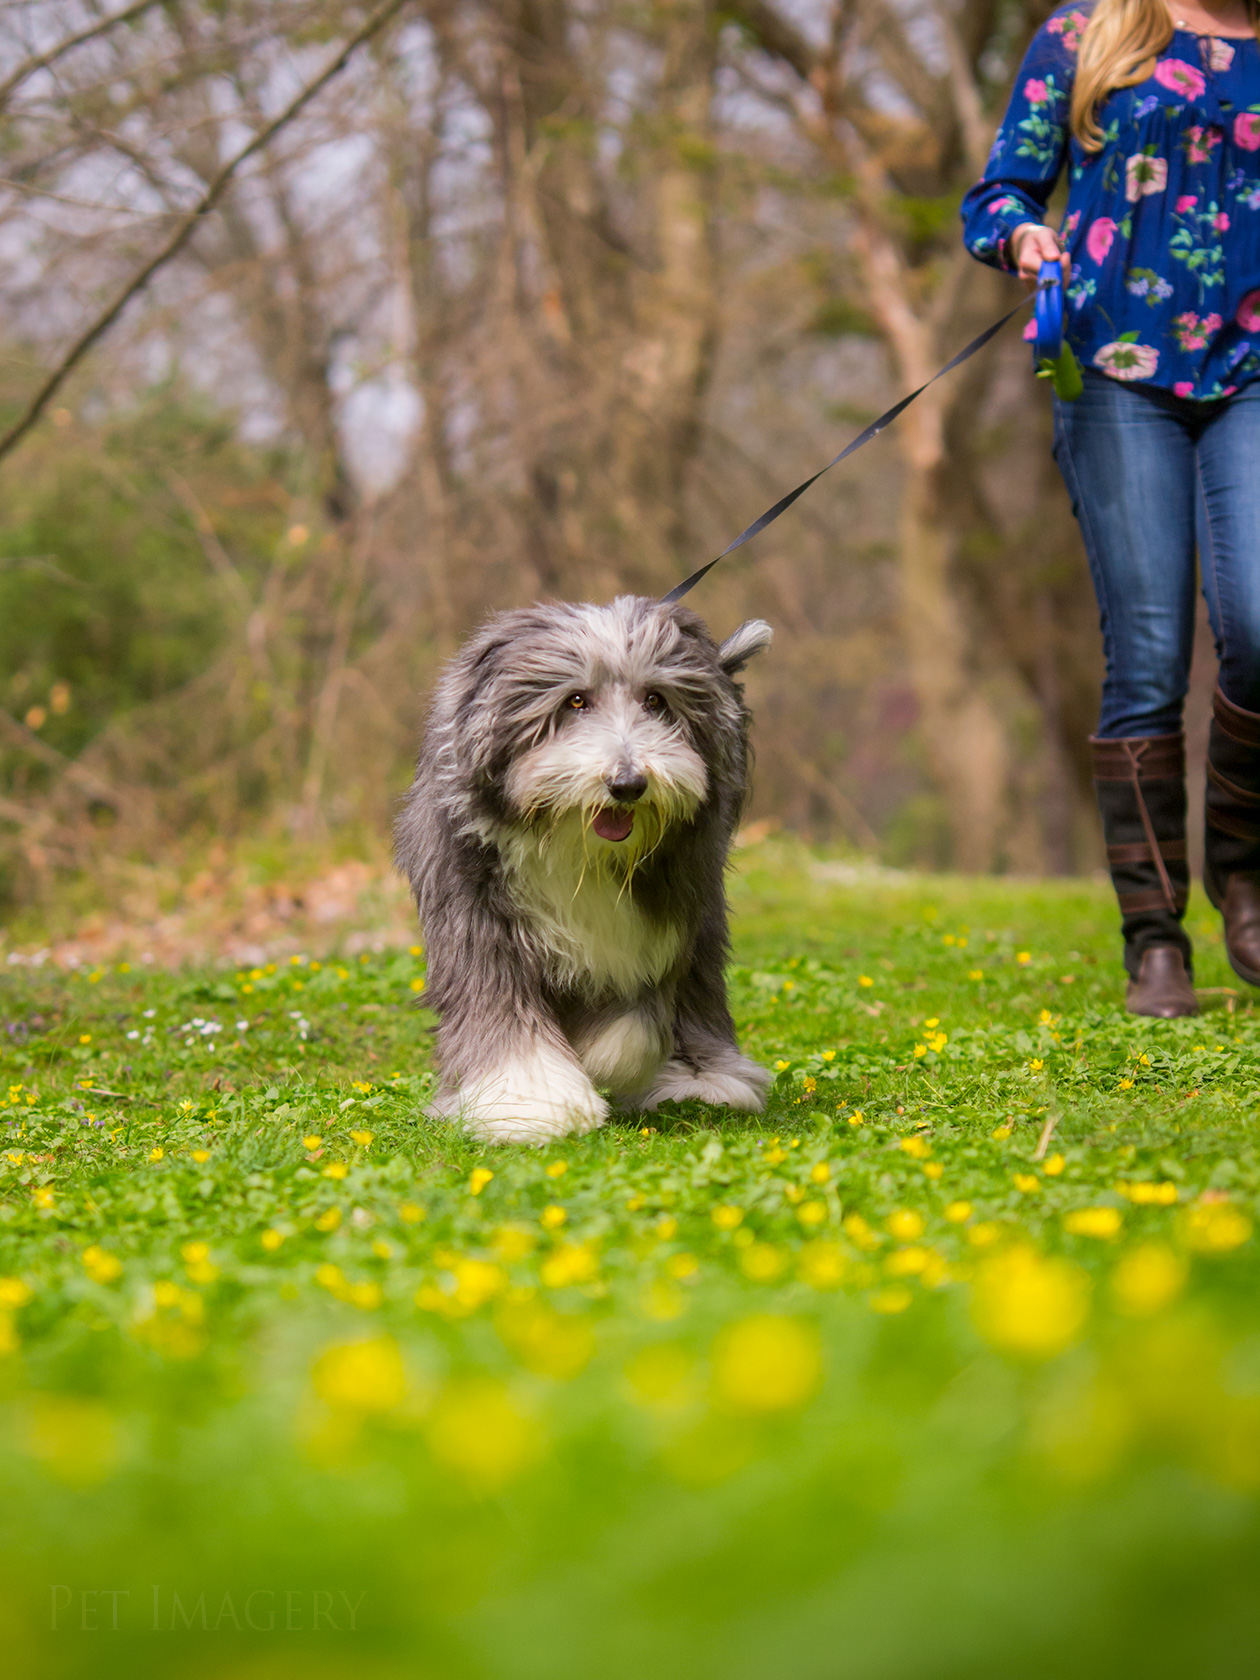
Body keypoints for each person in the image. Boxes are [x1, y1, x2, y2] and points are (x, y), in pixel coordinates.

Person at [962, 0, 1260, 1017]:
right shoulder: (1090, 30)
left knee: (1259, 629)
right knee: (1146, 655)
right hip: (1117, 369)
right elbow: (996, 194)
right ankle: (1155, 938)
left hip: (1255, 372)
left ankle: (1246, 875)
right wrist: (1025, 238)